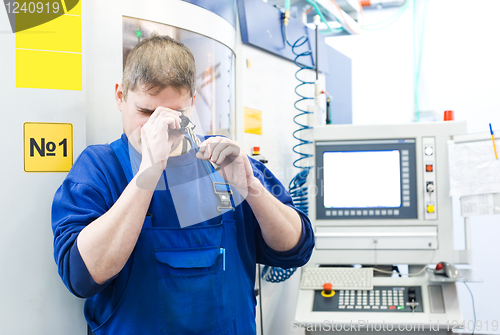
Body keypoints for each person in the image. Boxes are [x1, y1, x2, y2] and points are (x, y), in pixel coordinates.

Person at [52, 33, 314, 335]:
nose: (158, 127)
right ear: (120, 97)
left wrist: (252, 189)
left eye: (175, 114)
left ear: (192, 101)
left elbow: (296, 249)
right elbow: (82, 276)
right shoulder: (100, 168)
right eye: (146, 112)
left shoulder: (224, 161)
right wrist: (149, 171)